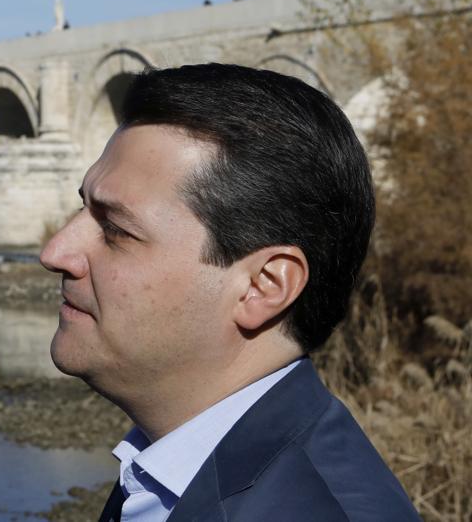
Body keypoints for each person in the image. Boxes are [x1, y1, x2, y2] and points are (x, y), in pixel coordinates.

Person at [40, 63, 418, 521]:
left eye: (116, 229)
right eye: (83, 207)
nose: (56, 251)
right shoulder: (165, 474)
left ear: (263, 286)